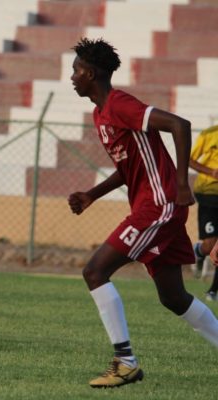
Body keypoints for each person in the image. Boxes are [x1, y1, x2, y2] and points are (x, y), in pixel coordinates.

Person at [68, 38, 218, 389]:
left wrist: (181, 184)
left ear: (91, 73)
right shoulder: (100, 114)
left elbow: (180, 125)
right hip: (154, 206)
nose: (72, 77)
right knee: (173, 297)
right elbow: (129, 168)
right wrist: (92, 195)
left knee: (95, 271)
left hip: (159, 205)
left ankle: (125, 362)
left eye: (76, 70)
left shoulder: (120, 104)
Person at [189, 125, 218, 298]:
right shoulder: (210, 134)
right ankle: (200, 251)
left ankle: (213, 290)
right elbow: (189, 159)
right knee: (210, 245)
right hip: (208, 194)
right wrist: (212, 172)